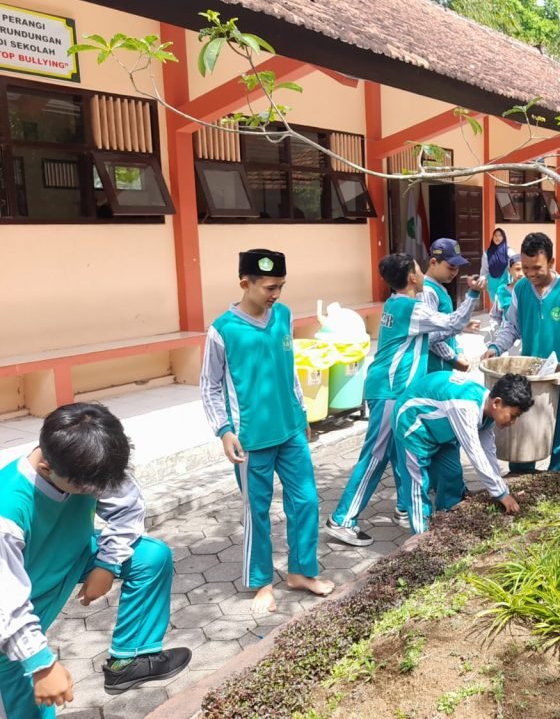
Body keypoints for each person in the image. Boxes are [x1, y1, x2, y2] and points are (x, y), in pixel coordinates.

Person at [0, 404, 191, 717]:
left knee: (150, 557)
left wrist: (106, 565)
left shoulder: (86, 461)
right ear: (46, 469)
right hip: (12, 608)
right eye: (89, 489)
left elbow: (127, 507)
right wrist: (41, 665)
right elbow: (6, 604)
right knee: (35, 697)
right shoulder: (7, 510)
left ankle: (129, 661)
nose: (102, 491)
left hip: (69, 556)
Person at [200, 249, 333, 614]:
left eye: (281, 286)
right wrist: (223, 431)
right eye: (270, 287)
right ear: (246, 283)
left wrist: (302, 413)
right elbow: (209, 386)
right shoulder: (223, 330)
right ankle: (261, 584)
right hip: (250, 440)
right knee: (257, 511)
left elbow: (289, 368)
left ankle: (300, 572)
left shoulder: (283, 315)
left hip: (290, 431)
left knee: (306, 501)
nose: (277, 294)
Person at [327, 253, 485, 547]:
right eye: (418, 270)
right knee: (375, 456)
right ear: (412, 277)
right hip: (390, 391)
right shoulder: (410, 307)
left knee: (401, 452)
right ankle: (342, 519)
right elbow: (450, 323)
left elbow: (438, 330)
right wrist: (473, 293)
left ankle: (404, 508)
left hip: (389, 389)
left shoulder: (395, 303)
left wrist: (461, 327)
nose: (423, 274)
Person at [486, 232, 560, 473]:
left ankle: (558, 480)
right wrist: (496, 347)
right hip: (528, 378)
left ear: (551, 262)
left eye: (537, 268)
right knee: (522, 434)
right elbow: (512, 326)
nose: (530, 274)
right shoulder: (521, 289)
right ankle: (521, 478)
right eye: (526, 267)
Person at [393, 371, 534, 534]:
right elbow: (475, 453)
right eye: (513, 416)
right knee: (418, 486)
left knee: (451, 475)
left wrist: (501, 489)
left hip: (441, 429)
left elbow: (488, 452)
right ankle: (421, 538)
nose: (513, 422)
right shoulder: (465, 408)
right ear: (497, 403)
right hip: (412, 424)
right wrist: (501, 494)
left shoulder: (488, 408)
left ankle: (446, 525)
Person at [422, 238, 473, 373]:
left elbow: (448, 327)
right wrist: (453, 359)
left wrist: (459, 351)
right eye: (451, 268)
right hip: (434, 368)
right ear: (433, 262)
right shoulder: (427, 291)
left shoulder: (440, 289)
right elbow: (430, 335)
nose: (454, 273)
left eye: (457, 268)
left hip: (444, 367)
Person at [488, 253, 524, 333]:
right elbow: (495, 317)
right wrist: (496, 330)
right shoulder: (502, 292)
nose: (521, 274)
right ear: (509, 271)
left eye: (525, 269)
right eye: (517, 269)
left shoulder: (535, 290)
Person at [482, 228, 513, 305]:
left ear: (503, 237)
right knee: (495, 306)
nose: (497, 238)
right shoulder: (487, 253)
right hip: (492, 284)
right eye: (495, 235)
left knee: (504, 305)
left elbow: (515, 263)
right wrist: (483, 280)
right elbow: (484, 269)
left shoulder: (508, 251)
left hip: (505, 282)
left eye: (500, 235)